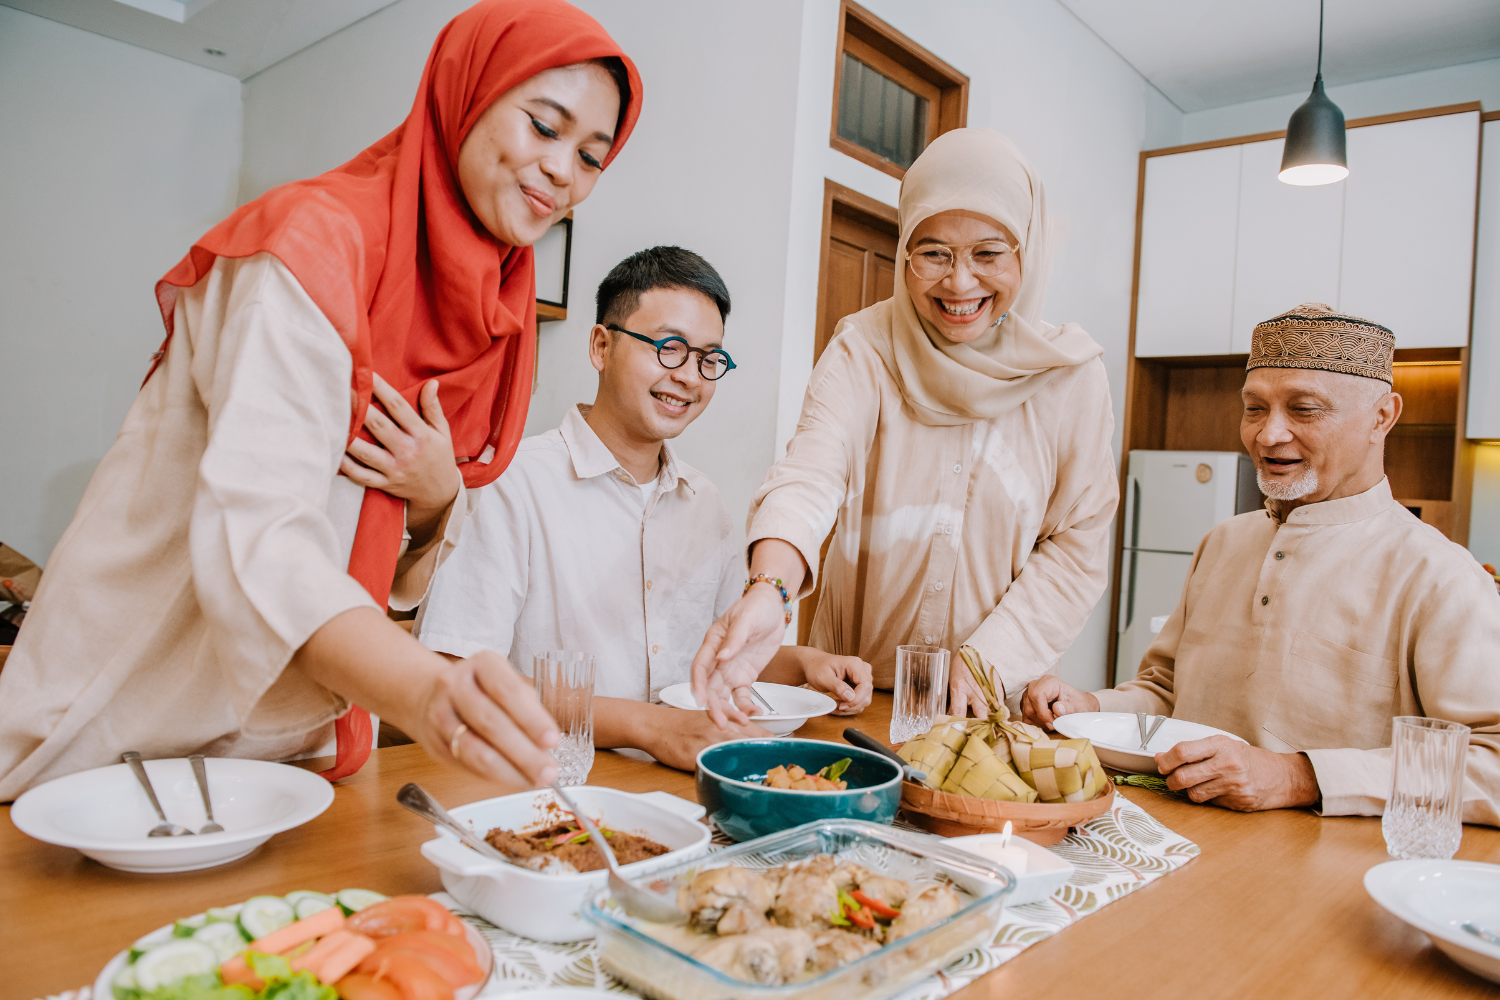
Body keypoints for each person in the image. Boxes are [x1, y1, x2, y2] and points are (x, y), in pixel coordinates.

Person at [0, 0, 645, 800]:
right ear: (468, 94)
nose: (562, 171)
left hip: (298, 747)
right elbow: (260, 541)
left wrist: (440, 498)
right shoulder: (310, 244)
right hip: (128, 721)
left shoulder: (499, 314)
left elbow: (401, 543)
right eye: (543, 126)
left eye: (592, 156)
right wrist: (423, 690)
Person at [689, 128, 1117, 725]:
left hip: (985, 705)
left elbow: (1077, 547)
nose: (959, 283)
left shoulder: (1070, 377)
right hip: (852, 698)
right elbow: (811, 471)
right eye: (934, 252)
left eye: (988, 253)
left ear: (1027, 251)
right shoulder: (864, 348)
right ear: (904, 252)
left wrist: (986, 661)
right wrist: (770, 590)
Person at [1022, 304, 1500, 823]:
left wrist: (1298, 776)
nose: (1268, 435)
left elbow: (1489, 764)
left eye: (1304, 409)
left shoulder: (1439, 576)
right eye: (1255, 408)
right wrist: (1089, 709)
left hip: (1322, 881)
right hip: (1177, 845)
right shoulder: (1223, 542)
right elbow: (1167, 694)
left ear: (1382, 417)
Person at [415, 247, 874, 770]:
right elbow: (461, 672)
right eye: (669, 348)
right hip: (543, 783)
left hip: (679, 783)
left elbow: (722, 658)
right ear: (601, 346)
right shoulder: (511, 481)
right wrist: (654, 728)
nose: (689, 377)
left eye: (708, 359)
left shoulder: (705, 503)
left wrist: (806, 664)